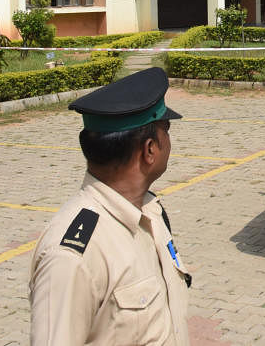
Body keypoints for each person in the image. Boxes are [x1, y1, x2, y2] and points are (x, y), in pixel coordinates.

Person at [29, 67, 192, 345]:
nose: (169, 140)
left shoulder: (151, 212)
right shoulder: (73, 257)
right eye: (166, 129)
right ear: (150, 149)